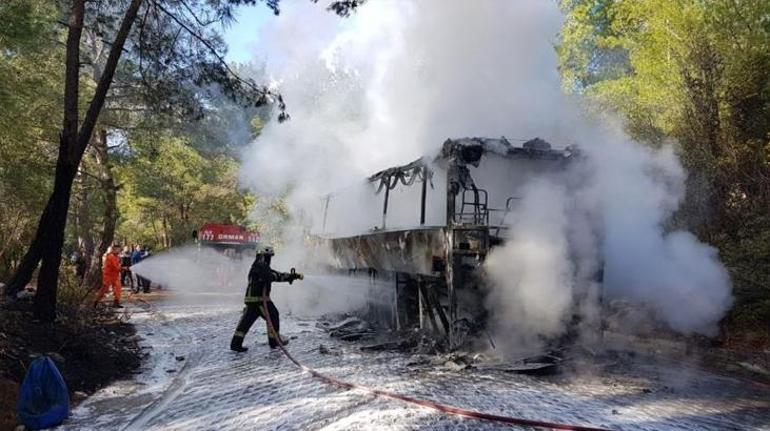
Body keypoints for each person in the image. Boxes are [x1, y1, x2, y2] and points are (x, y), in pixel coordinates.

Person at [230, 246, 303, 352]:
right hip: (259, 299)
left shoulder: (258, 266)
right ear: (263, 256)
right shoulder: (260, 266)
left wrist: (291, 276)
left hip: (252, 299)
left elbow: (276, 275)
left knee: (246, 321)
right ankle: (274, 341)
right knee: (273, 315)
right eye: (268, 257)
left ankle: (235, 344)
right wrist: (285, 277)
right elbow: (270, 276)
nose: (269, 259)